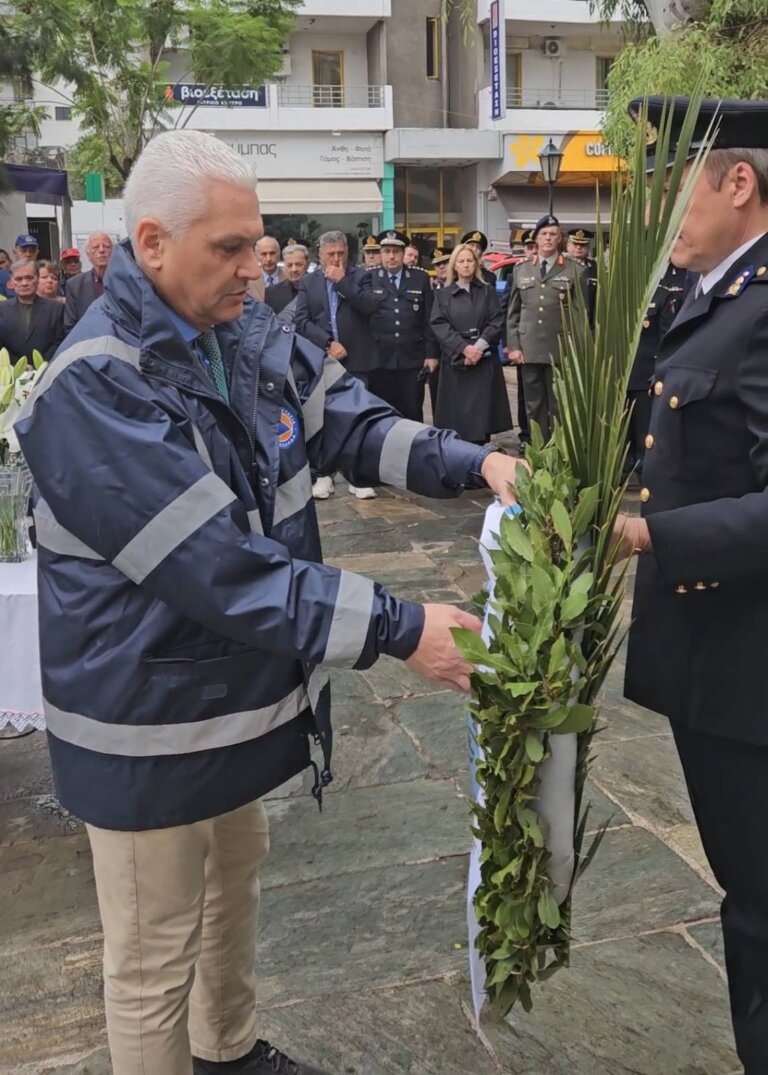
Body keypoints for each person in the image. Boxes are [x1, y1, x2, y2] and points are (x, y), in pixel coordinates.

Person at [16, 129, 527, 1075]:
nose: (255, 268)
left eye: (258, 244)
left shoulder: (239, 333)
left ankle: (229, 1050)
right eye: (230, 249)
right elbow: (220, 568)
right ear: (154, 243)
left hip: (226, 698)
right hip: (148, 720)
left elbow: (349, 424)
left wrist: (477, 461)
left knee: (233, 888)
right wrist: (402, 627)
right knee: (152, 954)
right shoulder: (95, 387)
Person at [613, 96, 768, 1074]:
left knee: (760, 904)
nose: (660, 211)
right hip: (718, 668)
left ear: (738, 182)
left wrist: (651, 531)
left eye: (675, 185)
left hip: (753, 674)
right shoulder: (715, 296)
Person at [294, 230, 378, 500]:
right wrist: (328, 342)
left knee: (357, 417)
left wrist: (342, 283)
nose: (336, 258)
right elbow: (302, 321)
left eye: (341, 253)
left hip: (358, 360)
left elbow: (369, 307)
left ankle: (357, 475)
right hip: (324, 359)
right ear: (320, 254)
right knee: (323, 419)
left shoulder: (361, 276)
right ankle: (324, 474)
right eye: (331, 254)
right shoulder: (309, 282)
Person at [505, 214, 587, 442]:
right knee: (533, 404)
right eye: (544, 234)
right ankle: (538, 452)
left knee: (559, 404)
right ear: (536, 239)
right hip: (529, 348)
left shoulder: (575, 270)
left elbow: (581, 314)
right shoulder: (521, 270)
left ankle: (559, 450)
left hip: (560, 349)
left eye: (553, 234)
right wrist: (513, 346)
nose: (548, 239)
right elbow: (513, 313)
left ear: (560, 238)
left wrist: (578, 349)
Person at [430, 243, 511, 443]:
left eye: (469, 261)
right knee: (457, 421)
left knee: (482, 419)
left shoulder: (487, 292)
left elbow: (496, 321)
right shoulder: (443, 295)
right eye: (461, 261)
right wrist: (464, 349)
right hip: (456, 361)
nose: (466, 265)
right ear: (454, 266)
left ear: (476, 265)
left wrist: (479, 347)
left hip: (483, 360)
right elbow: (439, 325)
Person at [626, 260, 692, 479]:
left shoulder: (661, 295)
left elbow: (666, 336)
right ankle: (624, 466)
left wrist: (660, 370)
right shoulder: (620, 297)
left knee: (643, 424)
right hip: (621, 371)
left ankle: (644, 468)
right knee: (623, 426)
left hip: (645, 370)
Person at [367, 229, 438, 422]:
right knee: (382, 412)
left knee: (413, 410)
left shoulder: (419, 278)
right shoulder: (369, 278)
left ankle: (414, 450)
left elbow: (428, 319)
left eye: (396, 251)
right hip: (380, 358)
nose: (391, 256)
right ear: (380, 253)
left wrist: (431, 354)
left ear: (403, 253)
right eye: (387, 251)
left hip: (411, 358)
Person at [0, 260, 64, 361]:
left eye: (29, 278)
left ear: (37, 278)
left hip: (47, 369)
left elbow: (59, 341)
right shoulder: (2, 310)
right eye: (19, 279)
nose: (24, 283)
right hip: (11, 371)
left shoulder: (56, 309)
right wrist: (20, 365)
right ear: (12, 282)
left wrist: (40, 364)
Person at [63, 232, 114, 331]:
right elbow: (70, 325)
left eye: (107, 246)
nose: (101, 250)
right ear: (88, 254)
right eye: (95, 247)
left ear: (114, 252)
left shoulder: (126, 282)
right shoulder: (75, 285)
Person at [263, 240, 309, 320]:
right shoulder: (271, 293)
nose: (294, 269)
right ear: (284, 266)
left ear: (307, 264)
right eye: (289, 265)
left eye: (298, 265)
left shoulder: (320, 288)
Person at [566, 228, 598, 320]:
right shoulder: (559, 267)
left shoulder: (595, 268)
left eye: (582, 244)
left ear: (588, 247)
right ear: (568, 245)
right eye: (575, 244)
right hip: (565, 325)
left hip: (589, 324)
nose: (578, 247)